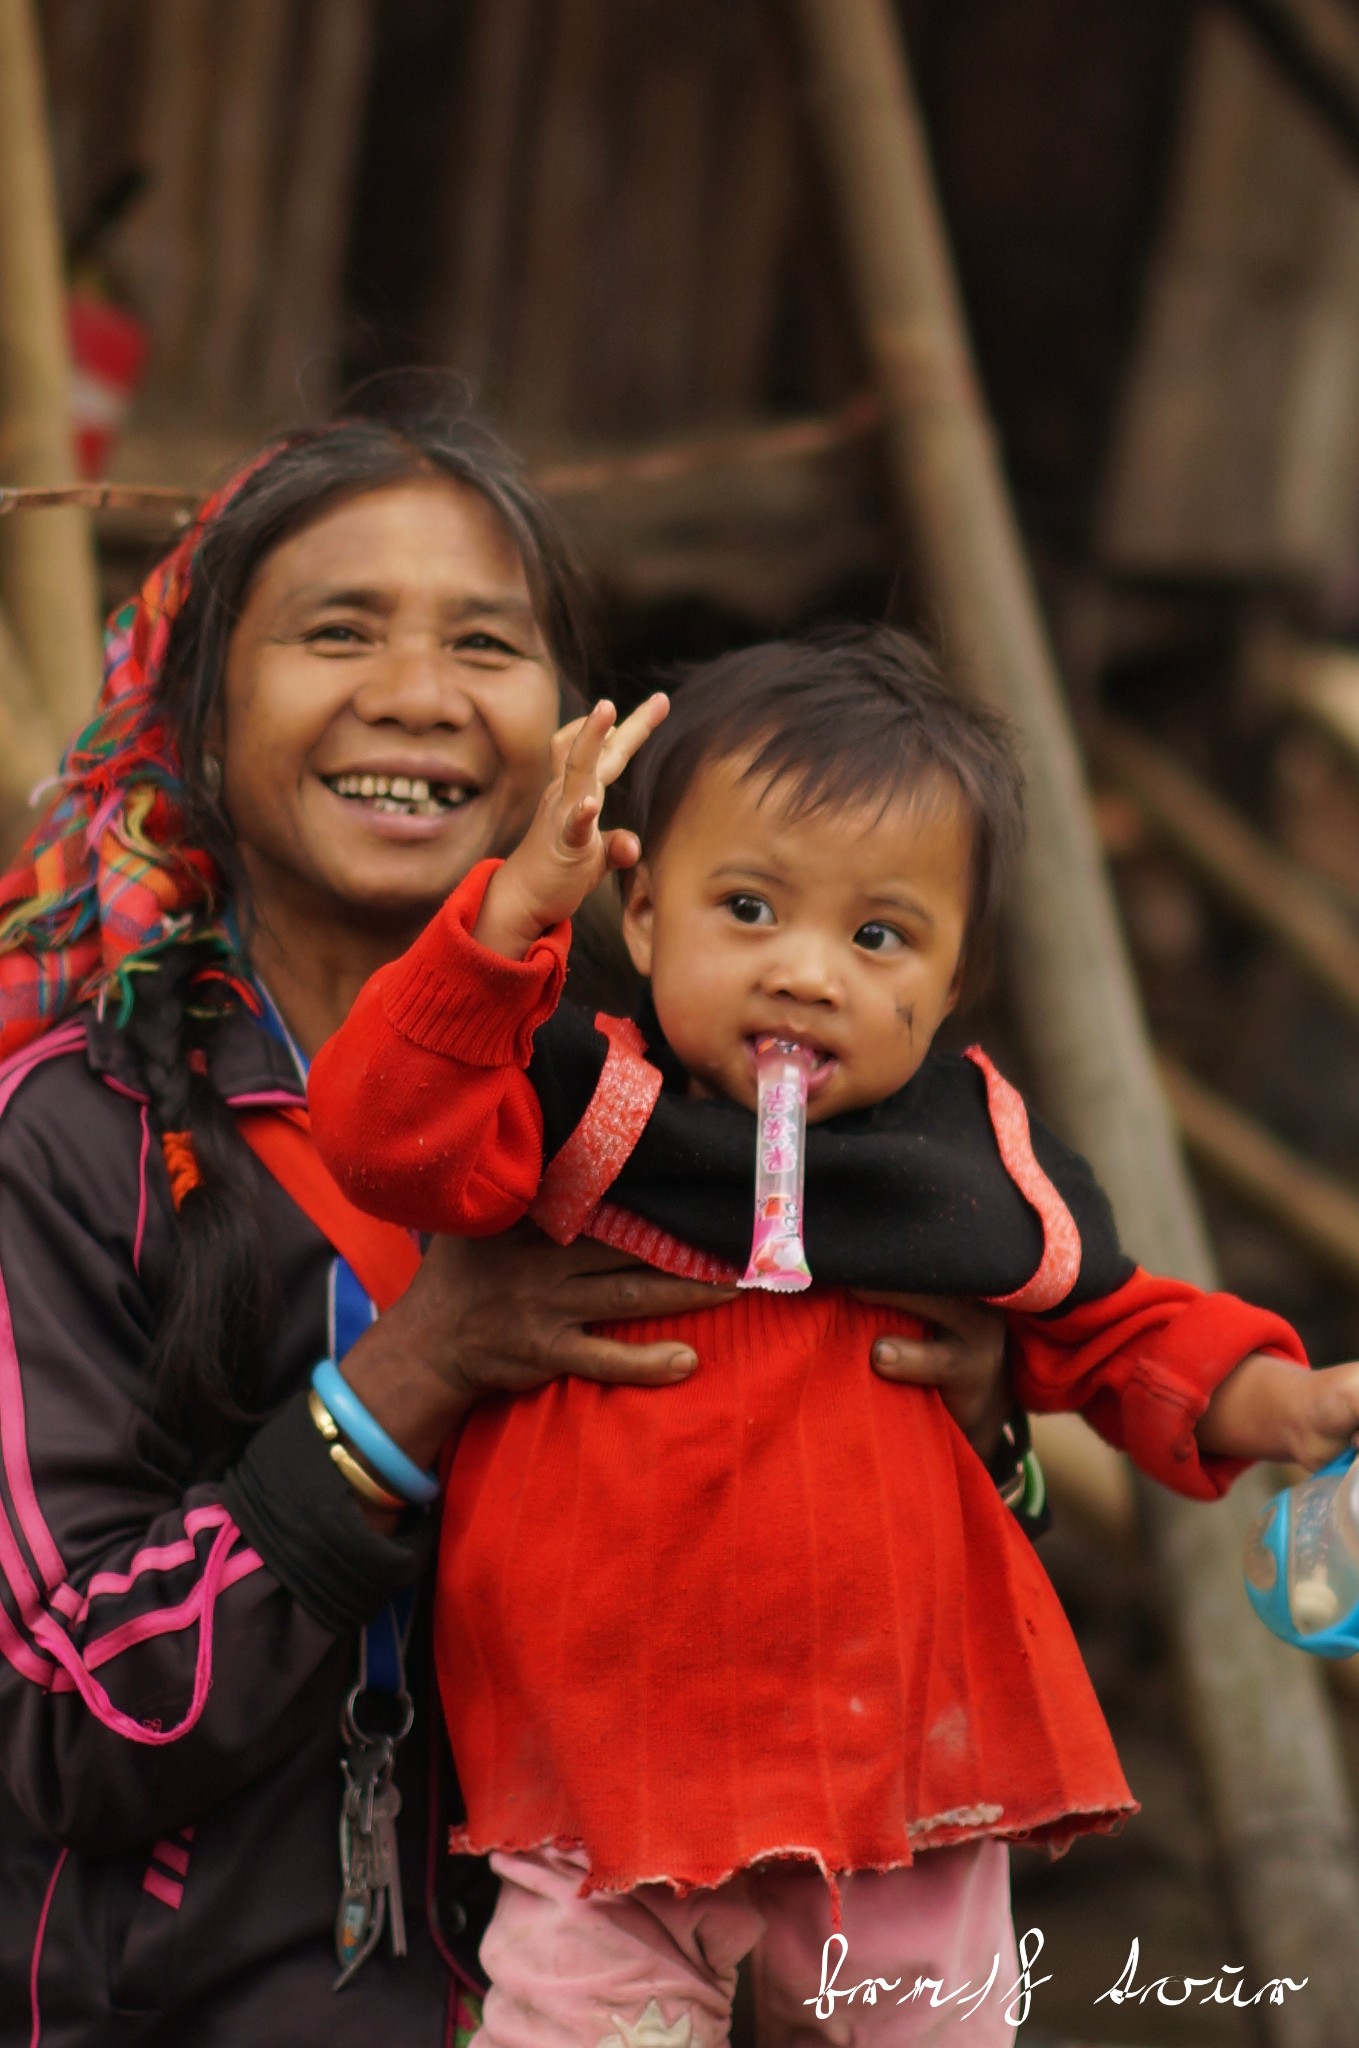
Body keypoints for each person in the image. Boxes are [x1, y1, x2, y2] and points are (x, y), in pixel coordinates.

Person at [0, 408, 1015, 2048]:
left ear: (572, 732)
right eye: (339, 631)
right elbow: (66, 1714)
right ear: (195, 713)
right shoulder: (72, 1135)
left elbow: (850, 1640)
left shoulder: (686, 1116)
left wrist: (966, 1436)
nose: (418, 694)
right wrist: (409, 1384)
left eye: (486, 640)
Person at [309, 630, 1359, 2048]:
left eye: (878, 938)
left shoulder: (965, 1158)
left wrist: (1271, 1399)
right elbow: (381, 1141)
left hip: (907, 1760)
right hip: (608, 1766)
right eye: (748, 908)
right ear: (644, 916)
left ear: (951, 980)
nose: (806, 975)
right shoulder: (573, 1108)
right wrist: (506, 926)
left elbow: (1112, 1335)